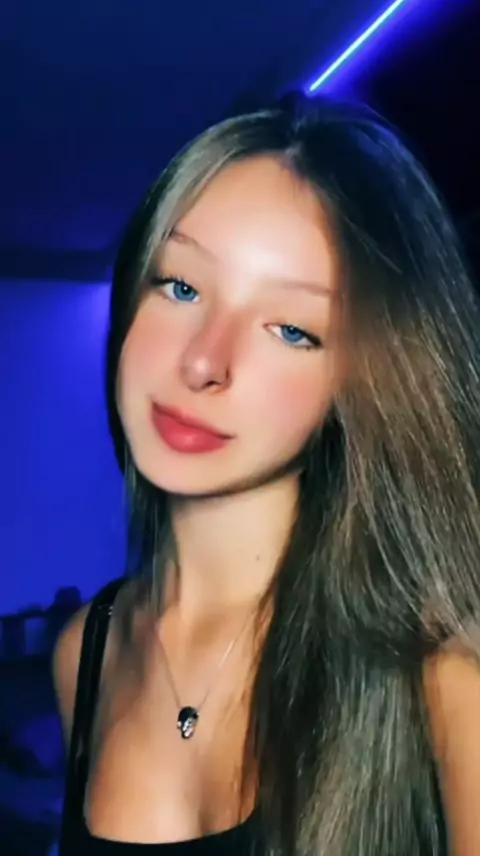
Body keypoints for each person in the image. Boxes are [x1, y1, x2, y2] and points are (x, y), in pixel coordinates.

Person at [53, 94, 480, 856]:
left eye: (291, 329)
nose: (203, 362)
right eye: (181, 286)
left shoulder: (445, 680)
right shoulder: (85, 652)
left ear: (362, 381)